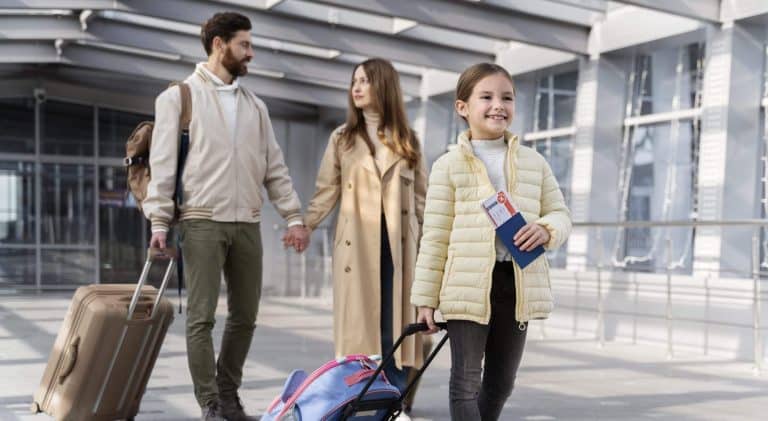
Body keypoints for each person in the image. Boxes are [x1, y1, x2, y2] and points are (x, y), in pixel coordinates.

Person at [143, 12, 309, 421]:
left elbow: (275, 167)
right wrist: (160, 221)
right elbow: (163, 165)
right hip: (201, 220)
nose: (250, 53)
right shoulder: (178, 98)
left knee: (246, 317)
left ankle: (228, 395)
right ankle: (211, 404)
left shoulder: (256, 107)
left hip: (247, 222)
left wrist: (293, 217)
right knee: (200, 317)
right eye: (244, 44)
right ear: (219, 44)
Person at [411, 63, 572, 420]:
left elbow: (561, 214)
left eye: (507, 97)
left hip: (516, 284)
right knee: (465, 382)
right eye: (486, 97)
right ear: (462, 107)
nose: (498, 105)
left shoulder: (534, 162)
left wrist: (547, 229)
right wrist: (425, 299)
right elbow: (434, 236)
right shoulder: (447, 166)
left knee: (501, 383)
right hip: (466, 285)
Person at [295, 58, 427, 419]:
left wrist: (436, 250)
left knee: (398, 330)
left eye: (365, 80)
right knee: (361, 332)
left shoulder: (407, 140)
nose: (356, 87)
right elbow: (326, 191)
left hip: (399, 249)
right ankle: (362, 401)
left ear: (383, 86)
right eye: (354, 81)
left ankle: (395, 402)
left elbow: (422, 201)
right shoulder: (342, 138)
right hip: (356, 249)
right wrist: (305, 225)